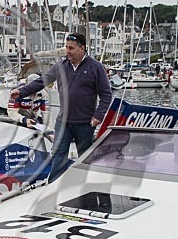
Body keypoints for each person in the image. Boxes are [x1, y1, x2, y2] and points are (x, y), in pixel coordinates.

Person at [10, 32, 112, 182]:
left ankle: (86, 186)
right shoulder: (61, 66)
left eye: (71, 48)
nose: (67, 51)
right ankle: (54, 187)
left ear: (82, 48)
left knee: (85, 159)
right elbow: (41, 82)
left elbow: (106, 95)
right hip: (63, 122)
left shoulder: (95, 67)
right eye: (66, 47)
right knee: (58, 156)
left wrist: (98, 116)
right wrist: (21, 91)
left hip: (85, 123)